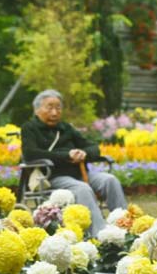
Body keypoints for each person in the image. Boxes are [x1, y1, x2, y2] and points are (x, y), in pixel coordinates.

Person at [21, 89, 127, 236]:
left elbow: (92, 146)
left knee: (110, 180)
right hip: (52, 177)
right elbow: (31, 154)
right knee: (82, 188)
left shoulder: (66, 128)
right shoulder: (30, 128)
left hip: (80, 173)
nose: (55, 112)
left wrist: (84, 153)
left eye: (58, 108)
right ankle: (100, 235)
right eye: (49, 107)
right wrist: (67, 155)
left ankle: (125, 226)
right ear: (37, 109)